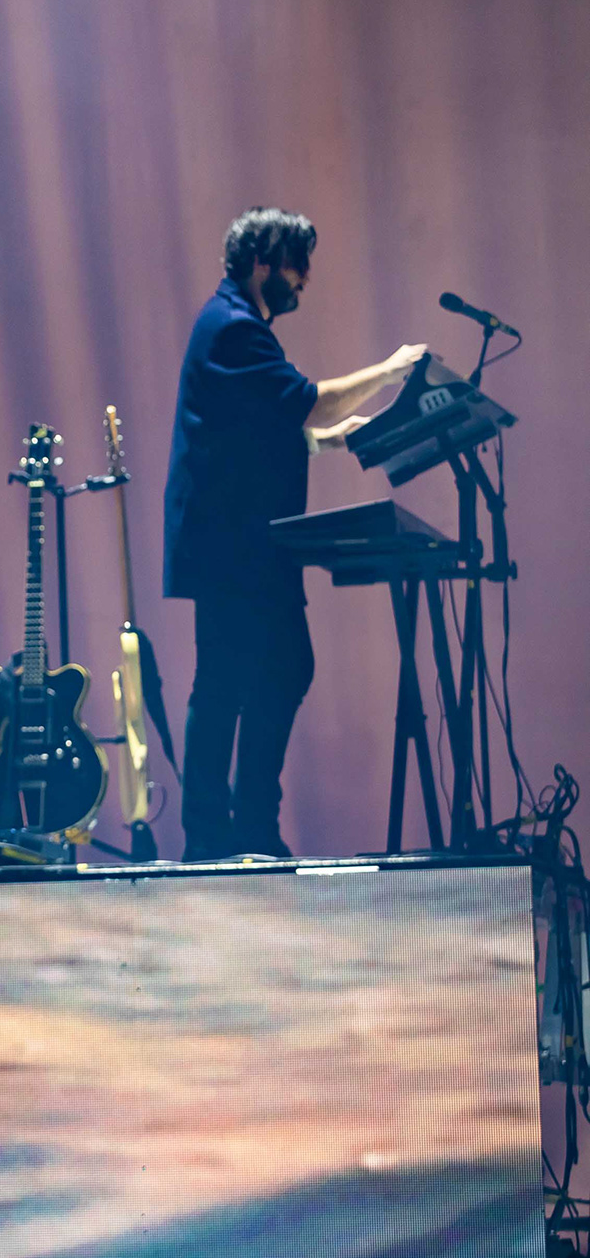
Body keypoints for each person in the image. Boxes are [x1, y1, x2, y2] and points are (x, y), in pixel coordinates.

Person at [163, 207, 426, 861]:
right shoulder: (234, 328)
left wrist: (331, 440)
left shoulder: (236, 323)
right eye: (295, 266)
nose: (304, 280)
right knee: (243, 676)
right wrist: (391, 370)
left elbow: (259, 427)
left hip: (242, 542)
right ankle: (226, 833)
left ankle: (235, 830)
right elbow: (308, 400)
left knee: (250, 674)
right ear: (261, 263)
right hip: (235, 545)